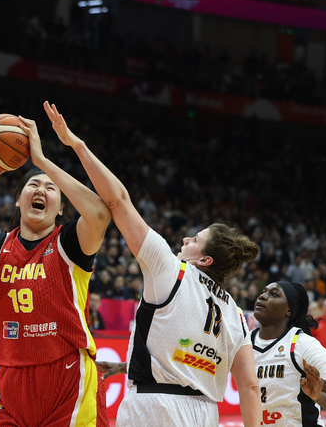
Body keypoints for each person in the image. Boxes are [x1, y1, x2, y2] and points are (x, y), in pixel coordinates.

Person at [44, 102, 262, 427]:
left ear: (205, 259)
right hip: (206, 415)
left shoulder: (171, 270)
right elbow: (248, 386)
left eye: (195, 239)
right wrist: (128, 366)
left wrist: (77, 145)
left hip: (154, 409)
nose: (185, 240)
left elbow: (117, 200)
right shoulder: (235, 313)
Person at [0, 114, 112, 427]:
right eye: (33, 184)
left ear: (61, 208)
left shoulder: (70, 242)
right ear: (19, 200)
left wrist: (41, 161)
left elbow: (100, 214)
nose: (41, 189)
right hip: (9, 378)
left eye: (50, 187)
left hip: (66, 376)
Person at [252, 282, 326, 425]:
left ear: (289, 310)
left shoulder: (304, 345)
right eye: (263, 291)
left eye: (274, 294)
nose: (262, 296)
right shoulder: (244, 342)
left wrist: (318, 397)